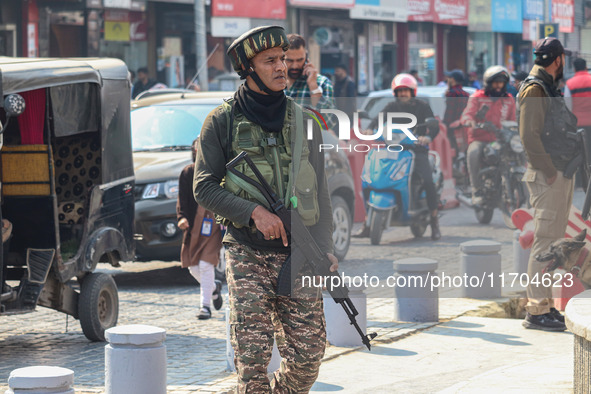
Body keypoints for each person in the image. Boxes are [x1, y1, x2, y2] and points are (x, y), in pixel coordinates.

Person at [193, 25, 337, 391]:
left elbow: (320, 191)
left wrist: (327, 249)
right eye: (270, 60)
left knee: (308, 357)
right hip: (247, 251)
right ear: (248, 68)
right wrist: (254, 213)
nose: (281, 67)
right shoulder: (221, 121)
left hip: (300, 250)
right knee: (253, 357)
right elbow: (204, 187)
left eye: (284, 60)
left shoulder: (306, 122)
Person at [519, 37, 578, 331]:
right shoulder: (535, 89)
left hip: (558, 173)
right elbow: (529, 136)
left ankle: (546, 306)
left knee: (554, 245)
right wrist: (549, 170)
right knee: (544, 243)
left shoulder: (547, 88)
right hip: (547, 176)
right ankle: (536, 311)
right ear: (559, 60)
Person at [354, 73, 441, 240]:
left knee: (428, 181)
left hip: (417, 150)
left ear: (412, 91)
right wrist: (370, 129)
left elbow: (434, 125)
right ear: (395, 93)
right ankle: (367, 223)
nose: (403, 94)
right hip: (393, 148)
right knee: (373, 177)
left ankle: (435, 220)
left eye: (406, 91)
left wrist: (427, 137)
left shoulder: (422, 107)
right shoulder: (391, 107)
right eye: (400, 91)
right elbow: (377, 120)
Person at [177, 139, 223, 320]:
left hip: (214, 225)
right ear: (194, 150)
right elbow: (182, 199)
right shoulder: (188, 172)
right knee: (193, 267)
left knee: (205, 265)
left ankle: (205, 307)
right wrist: (181, 218)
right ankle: (213, 288)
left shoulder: (219, 170)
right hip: (194, 226)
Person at [460, 65, 516, 206]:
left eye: (501, 83)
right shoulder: (477, 97)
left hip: (501, 140)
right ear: (488, 83)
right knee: (473, 152)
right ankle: (476, 190)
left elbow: (514, 120)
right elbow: (467, 114)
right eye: (495, 83)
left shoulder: (509, 99)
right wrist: (469, 121)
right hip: (480, 139)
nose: (498, 86)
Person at [285, 34, 335, 112]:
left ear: (306, 58)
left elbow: (329, 122)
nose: (295, 66)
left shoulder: (322, 83)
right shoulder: (275, 83)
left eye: (299, 60)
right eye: (289, 61)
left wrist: (314, 88)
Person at [443, 69, 470, 151]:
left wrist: (445, 126)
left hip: (452, 128)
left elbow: (449, 112)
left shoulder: (452, 93)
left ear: (453, 79)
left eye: (449, 78)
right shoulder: (466, 94)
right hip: (463, 127)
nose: (447, 80)